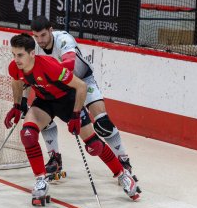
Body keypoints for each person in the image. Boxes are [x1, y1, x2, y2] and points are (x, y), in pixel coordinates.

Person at [4, 33, 140, 203]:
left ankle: (123, 175)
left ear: (32, 53)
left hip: (67, 101)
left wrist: (75, 115)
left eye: (20, 55)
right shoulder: (14, 67)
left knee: (94, 145)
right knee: (28, 135)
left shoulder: (49, 66)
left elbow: (81, 86)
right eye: (14, 54)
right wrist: (17, 106)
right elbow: (17, 81)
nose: (16, 59)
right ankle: (41, 181)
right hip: (45, 102)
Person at [29, 15, 137, 181]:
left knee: (103, 124)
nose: (40, 40)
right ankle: (55, 158)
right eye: (36, 36)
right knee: (43, 117)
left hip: (82, 79)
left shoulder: (64, 39)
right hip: (59, 86)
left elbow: (69, 66)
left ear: (51, 30)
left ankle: (123, 160)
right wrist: (21, 102)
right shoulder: (34, 46)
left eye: (43, 35)